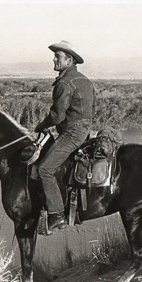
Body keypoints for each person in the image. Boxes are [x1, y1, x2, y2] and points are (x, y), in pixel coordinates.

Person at [34, 40, 95, 231]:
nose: (54, 59)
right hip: (85, 132)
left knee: (44, 169)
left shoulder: (65, 83)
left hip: (72, 133)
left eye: (57, 56)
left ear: (69, 60)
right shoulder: (85, 80)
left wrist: (41, 126)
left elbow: (57, 115)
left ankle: (56, 214)